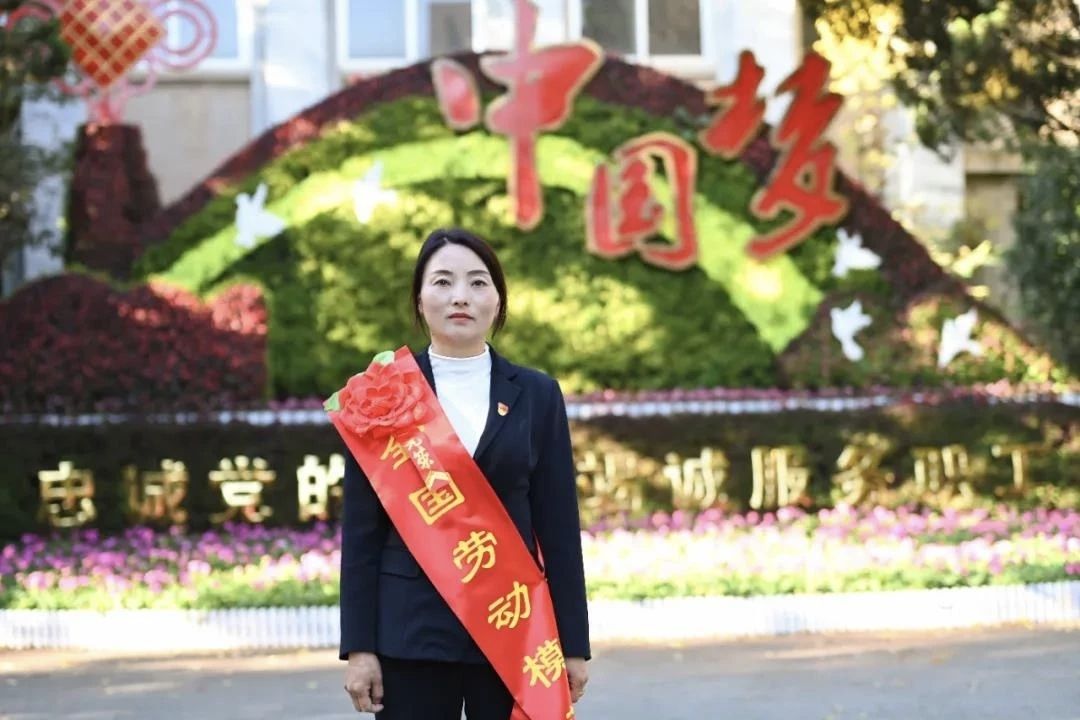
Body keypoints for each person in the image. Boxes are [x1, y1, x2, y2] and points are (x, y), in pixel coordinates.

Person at [337, 227, 590, 719]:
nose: (460, 296)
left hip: (512, 629)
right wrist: (359, 649)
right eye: (442, 282)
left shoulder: (538, 395)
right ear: (419, 298)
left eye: (477, 282)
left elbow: (559, 527)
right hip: (409, 636)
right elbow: (362, 534)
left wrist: (573, 645)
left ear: (498, 300)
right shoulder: (380, 395)